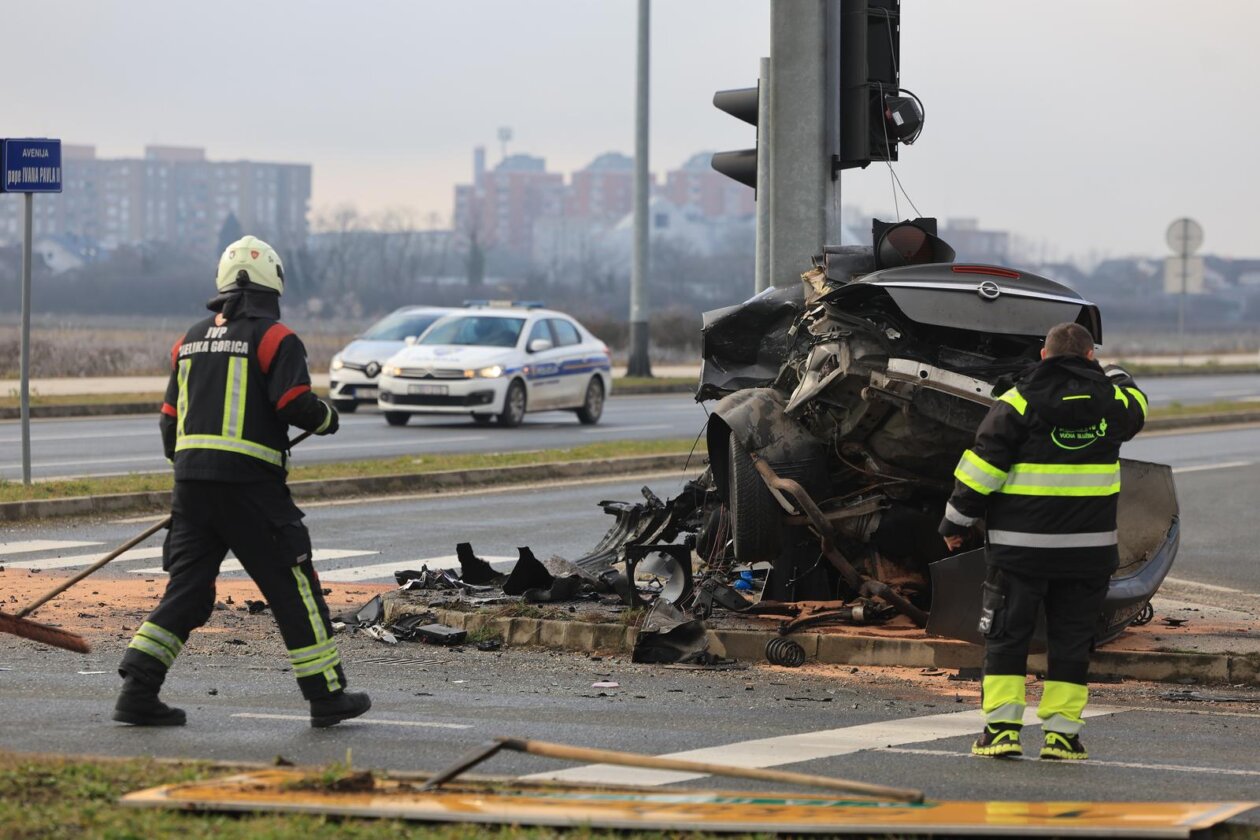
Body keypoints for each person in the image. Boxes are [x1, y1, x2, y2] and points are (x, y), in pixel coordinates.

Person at [114, 235, 371, 728]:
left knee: (187, 592)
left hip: (192, 487)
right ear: (273, 284)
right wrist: (327, 418)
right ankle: (326, 695)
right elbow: (294, 403)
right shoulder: (276, 339)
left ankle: (138, 689)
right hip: (252, 491)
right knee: (294, 588)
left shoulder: (187, 341)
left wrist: (195, 473)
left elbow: (170, 424)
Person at [938, 322, 1147, 760]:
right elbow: (1138, 402)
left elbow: (980, 471)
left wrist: (955, 525)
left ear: (1043, 356)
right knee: (1071, 642)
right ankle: (1062, 737)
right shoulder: (1113, 402)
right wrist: (1113, 375)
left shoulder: (1016, 402)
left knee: (1007, 637)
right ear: (1090, 357)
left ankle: (1001, 732)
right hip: (1087, 554)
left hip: (1019, 553)